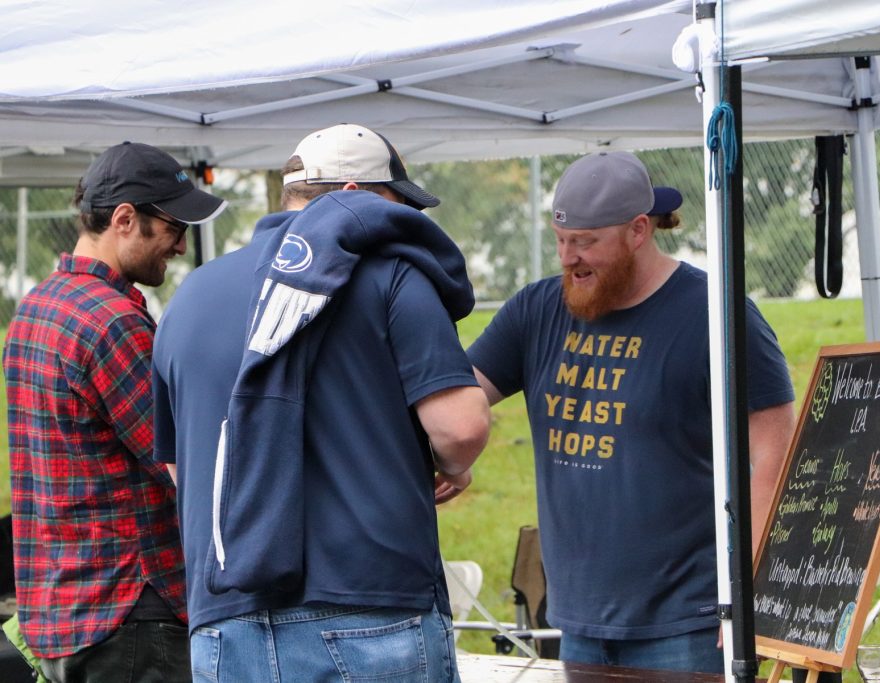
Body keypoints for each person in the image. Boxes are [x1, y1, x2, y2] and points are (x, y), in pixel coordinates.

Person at [150, 123, 490, 682]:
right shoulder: (393, 274)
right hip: (372, 609)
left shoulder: (191, 296)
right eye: (399, 204)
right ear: (355, 197)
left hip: (225, 622)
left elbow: (180, 469)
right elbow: (460, 427)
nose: (407, 220)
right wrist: (452, 471)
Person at [467, 150, 796, 672]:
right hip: (577, 621)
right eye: (561, 241)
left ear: (639, 231)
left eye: (586, 242)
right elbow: (462, 398)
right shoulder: (536, 311)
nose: (569, 258)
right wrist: (449, 450)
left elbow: (774, 454)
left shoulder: (715, 313)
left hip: (686, 625)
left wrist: (746, 594)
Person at [2, 141, 227, 683]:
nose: (180, 246)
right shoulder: (112, 323)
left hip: (60, 611)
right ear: (125, 219)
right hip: (128, 615)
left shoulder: (37, 306)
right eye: (174, 227)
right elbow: (186, 464)